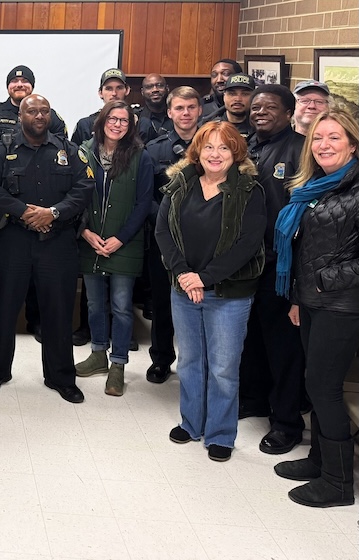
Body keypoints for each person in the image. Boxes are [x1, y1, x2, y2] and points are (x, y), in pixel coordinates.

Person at [156, 121, 266, 462]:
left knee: (223, 368)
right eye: (208, 147)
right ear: (197, 152)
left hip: (229, 293)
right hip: (184, 289)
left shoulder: (249, 190)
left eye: (223, 147)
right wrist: (184, 274)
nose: (215, 154)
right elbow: (163, 232)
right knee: (190, 361)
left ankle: (220, 434)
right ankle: (191, 423)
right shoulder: (180, 185)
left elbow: (248, 243)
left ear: (236, 152)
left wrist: (203, 278)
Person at [0, 94, 94, 402]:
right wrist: (23, 211)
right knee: (2, 309)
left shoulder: (69, 151)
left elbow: (85, 186)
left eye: (44, 111)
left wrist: (53, 213)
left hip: (57, 242)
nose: (39, 116)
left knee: (58, 312)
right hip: (12, 241)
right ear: (20, 116)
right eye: (32, 111)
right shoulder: (2, 150)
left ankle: (60, 377)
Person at [273, 109, 359, 508]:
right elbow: (305, 249)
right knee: (315, 383)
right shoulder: (316, 187)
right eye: (318, 138)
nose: (324, 145)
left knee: (324, 388)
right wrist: (298, 296)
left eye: (334, 137)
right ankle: (320, 460)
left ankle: (338, 483)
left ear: (353, 144)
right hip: (311, 300)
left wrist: (326, 280)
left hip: (341, 304)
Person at [0, 65, 65, 342]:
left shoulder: (51, 116)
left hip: (42, 197)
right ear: (8, 86)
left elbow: (61, 153)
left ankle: (36, 321)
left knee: (37, 269)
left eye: (25, 81)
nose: (19, 84)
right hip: (2, 201)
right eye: (15, 81)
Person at [238, 84, 307, 455]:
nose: (260, 112)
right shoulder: (246, 146)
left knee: (283, 347)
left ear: (289, 113)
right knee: (252, 338)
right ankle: (254, 399)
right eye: (256, 107)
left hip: (282, 264)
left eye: (269, 107)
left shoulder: (301, 150)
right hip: (247, 261)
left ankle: (286, 423)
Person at [75, 101, 153, 396]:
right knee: (94, 304)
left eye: (124, 120)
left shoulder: (140, 156)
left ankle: (118, 363)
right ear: (102, 121)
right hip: (91, 240)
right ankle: (98, 354)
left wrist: (120, 238)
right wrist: (84, 232)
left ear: (131, 126)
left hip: (125, 243)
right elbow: (74, 196)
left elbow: (143, 203)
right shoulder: (84, 152)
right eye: (112, 119)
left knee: (121, 307)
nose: (117, 124)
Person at [143, 86, 203, 383]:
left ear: (200, 110)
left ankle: (200, 363)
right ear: (169, 112)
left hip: (205, 239)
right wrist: (167, 222)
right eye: (179, 108)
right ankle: (161, 358)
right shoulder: (155, 149)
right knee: (162, 300)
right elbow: (146, 196)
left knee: (203, 299)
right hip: (164, 238)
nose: (185, 113)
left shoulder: (214, 144)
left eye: (191, 107)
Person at [71, 68, 156, 146]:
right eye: (109, 88)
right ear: (100, 92)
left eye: (119, 88)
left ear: (127, 90)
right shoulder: (85, 125)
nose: (114, 93)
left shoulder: (142, 124)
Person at [208, 73, 256, 141]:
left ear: (254, 97)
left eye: (245, 94)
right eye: (232, 94)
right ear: (224, 96)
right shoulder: (209, 126)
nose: (238, 99)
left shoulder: (260, 126)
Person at [137, 73, 173, 137]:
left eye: (159, 85)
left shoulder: (176, 115)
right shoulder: (136, 117)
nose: (155, 90)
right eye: (149, 87)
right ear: (142, 92)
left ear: (167, 89)